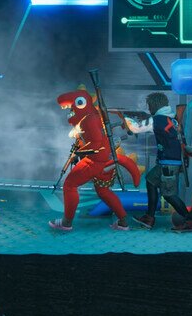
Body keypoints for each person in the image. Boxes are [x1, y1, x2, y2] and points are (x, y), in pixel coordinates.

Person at [49, 86, 139, 232]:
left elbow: (96, 143)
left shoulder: (89, 120)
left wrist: (79, 152)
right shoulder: (91, 117)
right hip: (105, 160)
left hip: (94, 161)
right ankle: (123, 222)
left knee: (70, 185)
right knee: (103, 191)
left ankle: (66, 223)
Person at [120, 92, 182, 229]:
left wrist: (125, 117)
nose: (149, 109)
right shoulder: (171, 118)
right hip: (169, 161)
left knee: (169, 195)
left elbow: (135, 128)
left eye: (149, 106)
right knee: (150, 180)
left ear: (154, 105)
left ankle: (189, 220)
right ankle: (149, 218)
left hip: (168, 163)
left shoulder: (158, 119)